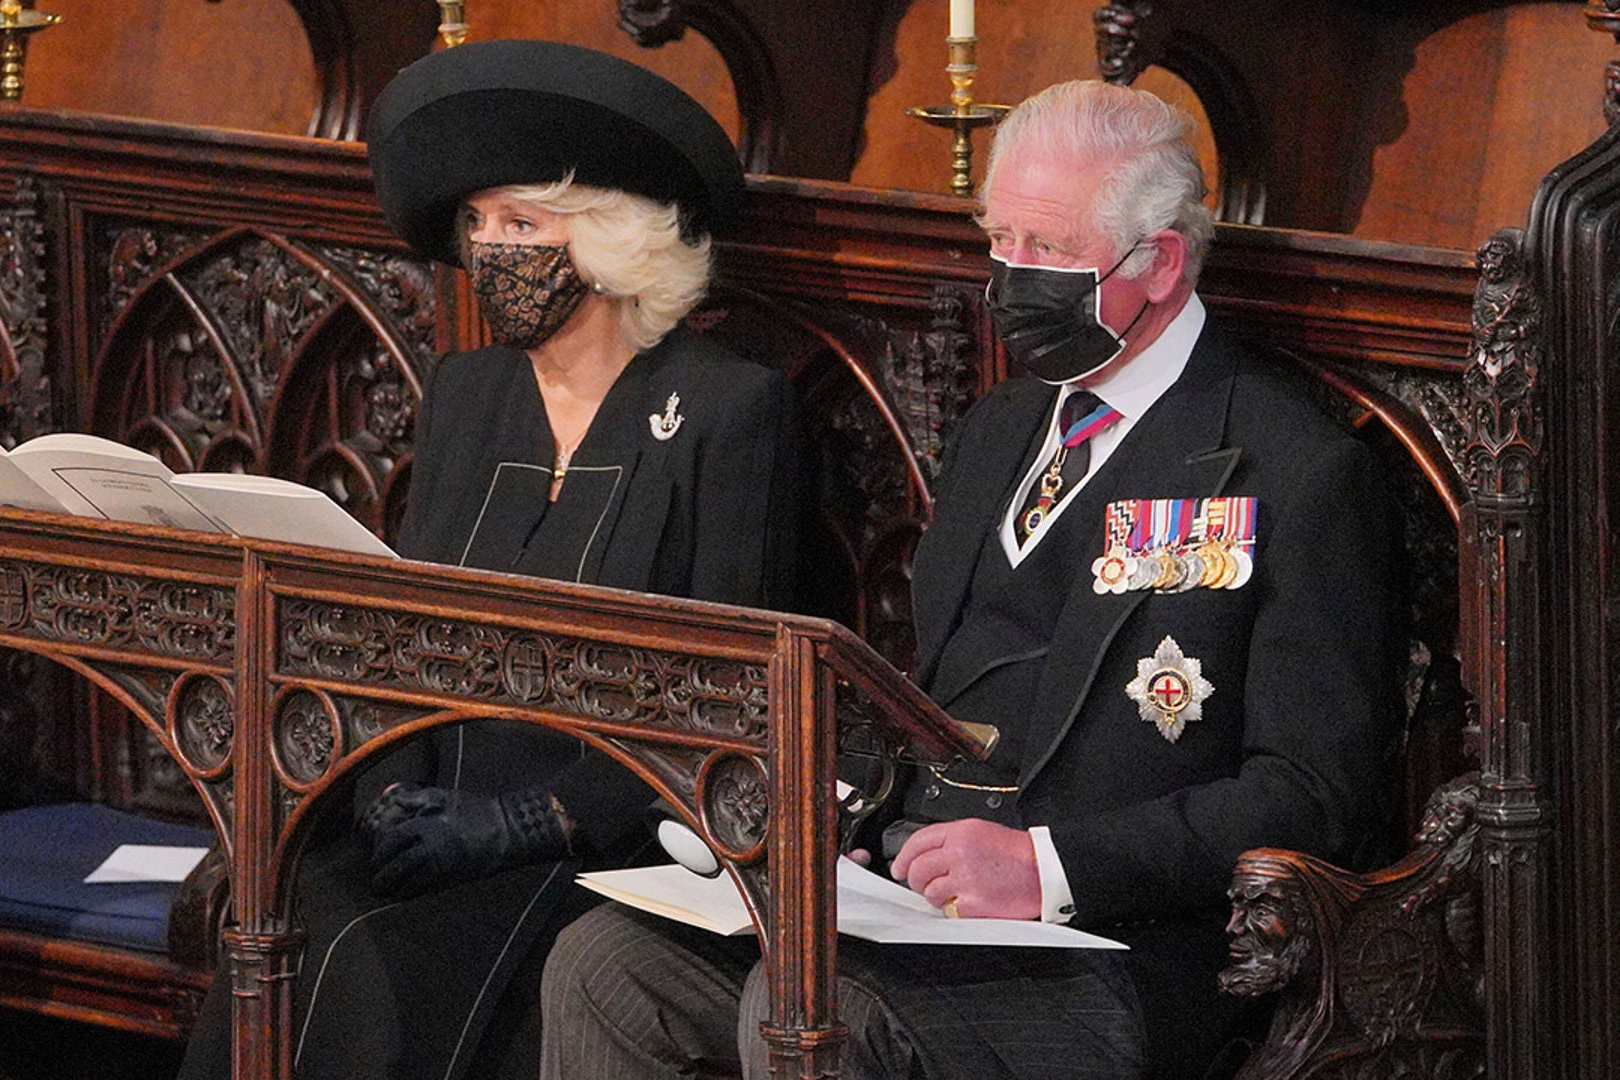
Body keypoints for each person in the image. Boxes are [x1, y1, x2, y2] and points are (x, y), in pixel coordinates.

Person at [538, 78, 1407, 1080]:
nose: (1010, 278)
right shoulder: (1004, 425)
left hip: (1125, 944)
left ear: (1160, 263)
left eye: (1046, 250)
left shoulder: (1291, 468)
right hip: (916, 901)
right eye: (1000, 241)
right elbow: (939, 689)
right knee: (606, 965)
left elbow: (1314, 793)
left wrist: (1046, 867)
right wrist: (839, 813)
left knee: (816, 1010)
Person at [176, 39, 810, 1080]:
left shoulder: (728, 409)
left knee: (407, 972)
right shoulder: (471, 393)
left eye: (521, 222)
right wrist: (387, 784)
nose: (486, 249)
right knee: (285, 928)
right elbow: (405, 633)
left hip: (602, 846)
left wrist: (538, 818)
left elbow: (732, 697)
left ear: (611, 238)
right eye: (476, 224)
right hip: (431, 814)